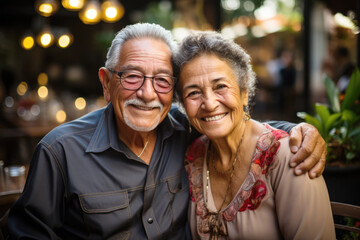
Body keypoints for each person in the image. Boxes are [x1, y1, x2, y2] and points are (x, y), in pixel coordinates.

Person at [7, 23, 326, 239]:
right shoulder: (60, 151)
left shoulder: (187, 131)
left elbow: (233, 123)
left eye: (161, 80)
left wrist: (299, 130)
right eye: (132, 76)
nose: (147, 93)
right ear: (106, 83)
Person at [176, 31, 335, 239]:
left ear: (244, 91)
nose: (209, 103)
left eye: (220, 86)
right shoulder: (193, 155)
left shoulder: (291, 156)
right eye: (193, 92)